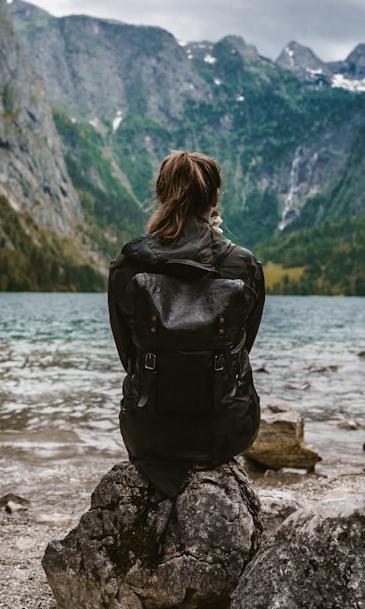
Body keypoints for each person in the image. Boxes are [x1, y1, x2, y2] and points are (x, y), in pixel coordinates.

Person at [108, 150, 265, 497]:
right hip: (226, 429)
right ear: (214, 197)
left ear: (162, 194)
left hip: (147, 431)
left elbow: (127, 353)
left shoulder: (127, 264)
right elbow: (243, 348)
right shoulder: (244, 265)